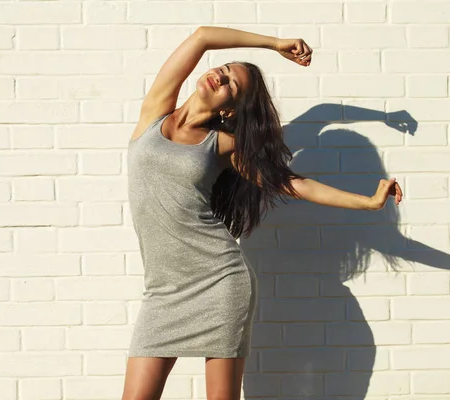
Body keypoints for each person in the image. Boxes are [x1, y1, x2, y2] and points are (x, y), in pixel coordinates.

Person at [124, 26, 403, 400]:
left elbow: (294, 183)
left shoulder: (224, 145)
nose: (220, 76)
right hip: (161, 290)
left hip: (219, 281)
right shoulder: (155, 115)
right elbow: (202, 36)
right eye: (224, 69)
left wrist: (368, 202)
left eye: (231, 86)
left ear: (228, 109)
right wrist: (274, 44)